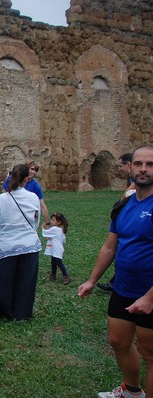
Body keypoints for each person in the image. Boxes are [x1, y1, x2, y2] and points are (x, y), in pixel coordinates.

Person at [78, 145, 153, 398]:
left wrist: (149, 298)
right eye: (139, 164)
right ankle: (132, 391)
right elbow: (111, 246)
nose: (144, 169)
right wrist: (92, 280)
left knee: (150, 353)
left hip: (150, 293)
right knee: (118, 342)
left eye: (150, 165)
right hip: (123, 287)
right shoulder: (123, 204)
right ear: (130, 168)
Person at [0, 164, 41, 321]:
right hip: (30, 245)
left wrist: (5, 235)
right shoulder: (33, 198)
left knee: (3, 281)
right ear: (26, 179)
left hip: (7, 244)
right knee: (26, 281)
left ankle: (1, 312)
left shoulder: (1, 199)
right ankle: (22, 313)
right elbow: (35, 223)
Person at [97, 152, 137, 293]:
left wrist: (121, 202)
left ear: (128, 165)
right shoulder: (132, 179)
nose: (118, 169)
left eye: (120, 166)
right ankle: (116, 282)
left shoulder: (137, 179)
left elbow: (127, 195)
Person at [3, 160, 50, 225]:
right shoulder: (11, 180)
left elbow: (42, 206)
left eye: (33, 169)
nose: (30, 171)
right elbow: (4, 195)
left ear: (36, 172)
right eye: (28, 168)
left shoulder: (36, 186)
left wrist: (48, 223)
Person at [42, 212, 70, 285]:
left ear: (58, 222)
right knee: (53, 262)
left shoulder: (54, 229)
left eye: (53, 220)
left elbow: (45, 233)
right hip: (58, 248)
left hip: (56, 249)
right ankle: (53, 275)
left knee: (58, 262)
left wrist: (42, 226)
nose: (51, 221)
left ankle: (65, 276)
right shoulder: (60, 230)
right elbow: (63, 240)